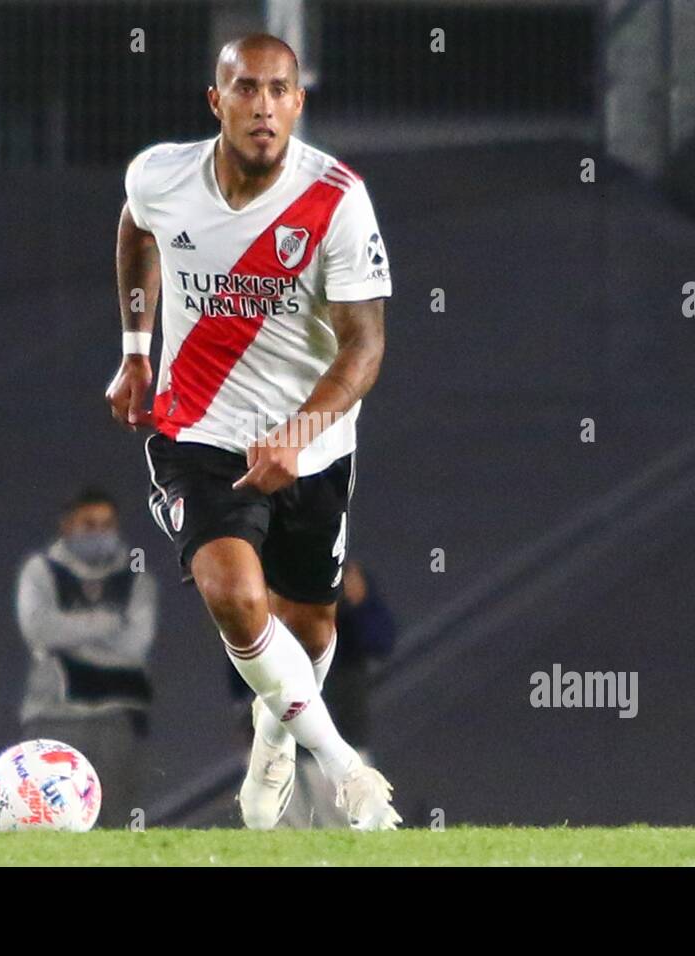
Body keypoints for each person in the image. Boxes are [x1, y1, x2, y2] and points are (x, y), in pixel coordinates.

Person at [105, 33, 399, 830]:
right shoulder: (162, 175)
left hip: (315, 446)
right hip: (196, 429)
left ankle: (275, 732)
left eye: (278, 91)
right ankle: (345, 771)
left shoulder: (336, 199)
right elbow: (137, 231)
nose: (263, 106)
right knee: (236, 597)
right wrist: (137, 351)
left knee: (309, 629)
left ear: (298, 103)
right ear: (217, 100)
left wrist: (299, 433)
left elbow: (365, 344)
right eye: (246, 89)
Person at [15, 487, 157, 828]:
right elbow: (39, 629)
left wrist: (70, 639)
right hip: (52, 718)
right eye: (88, 524)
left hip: (116, 719)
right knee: (47, 821)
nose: (99, 532)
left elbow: (135, 644)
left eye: (107, 524)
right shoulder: (42, 570)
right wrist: (108, 622)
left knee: (115, 824)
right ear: (67, 526)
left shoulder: (136, 578)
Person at [285, 559, 397, 826]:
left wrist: (360, 603)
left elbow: (381, 641)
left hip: (343, 732)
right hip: (289, 738)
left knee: (353, 822)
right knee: (288, 829)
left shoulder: (346, 577)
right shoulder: (282, 578)